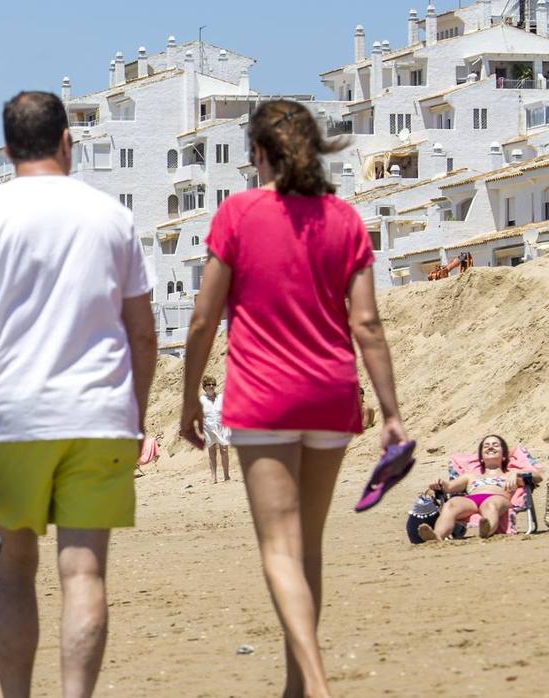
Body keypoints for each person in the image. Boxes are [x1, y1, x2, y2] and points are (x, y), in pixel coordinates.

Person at [179, 99, 408, 698]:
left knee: (279, 548)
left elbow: (203, 319)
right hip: (332, 393)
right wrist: (391, 413)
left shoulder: (237, 213)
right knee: (309, 547)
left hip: (264, 398)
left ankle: (316, 683)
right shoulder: (345, 219)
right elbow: (368, 326)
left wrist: (185, 399)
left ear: (257, 152)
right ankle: (294, 688)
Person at [0, 91, 157, 698]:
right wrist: (134, 415)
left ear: (5, 150)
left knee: (12, 577)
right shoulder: (112, 216)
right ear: (67, 141)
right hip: (99, 416)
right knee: (84, 572)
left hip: (13, 419)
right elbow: (142, 331)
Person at [418, 435, 543, 541]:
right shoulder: (470, 476)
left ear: (504, 456)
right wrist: (439, 484)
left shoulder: (511, 474)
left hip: (498, 498)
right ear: (481, 458)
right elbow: (449, 487)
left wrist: (518, 473)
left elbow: (538, 477)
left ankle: (486, 530)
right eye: (486, 445)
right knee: (450, 505)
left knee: (490, 505)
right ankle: (437, 536)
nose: (490, 447)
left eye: (495, 445)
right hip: (472, 500)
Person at [200, 376, 231, 484]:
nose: (211, 386)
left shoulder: (221, 397)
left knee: (224, 450)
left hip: (222, 426)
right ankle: (214, 477)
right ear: (204, 387)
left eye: (213, 384)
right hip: (208, 427)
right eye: (208, 384)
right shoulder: (201, 400)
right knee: (212, 452)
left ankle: (226, 475)